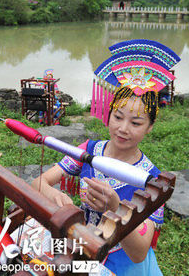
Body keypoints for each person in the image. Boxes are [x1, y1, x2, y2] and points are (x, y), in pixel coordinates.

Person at [32, 40, 180, 276]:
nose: (123, 128)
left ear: (150, 127)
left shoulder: (151, 179)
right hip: (81, 243)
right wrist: (57, 196)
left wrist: (115, 208)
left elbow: (139, 253)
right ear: (108, 113)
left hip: (121, 260)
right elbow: (39, 183)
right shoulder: (89, 150)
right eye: (118, 117)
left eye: (136, 123)